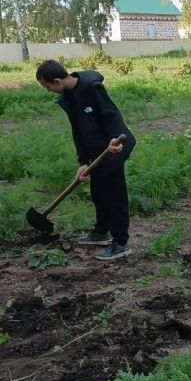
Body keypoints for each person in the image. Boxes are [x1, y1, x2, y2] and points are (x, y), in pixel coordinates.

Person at [36, 59, 136, 260]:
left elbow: (112, 116)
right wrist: (83, 162)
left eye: (47, 87)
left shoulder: (92, 88)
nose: (48, 91)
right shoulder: (68, 97)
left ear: (56, 81)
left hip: (116, 146)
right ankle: (101, 231)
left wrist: (115, 142)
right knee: (98, 191)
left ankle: (121, 242)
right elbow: (78, 131)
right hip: (97, 151)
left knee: (113, 194)